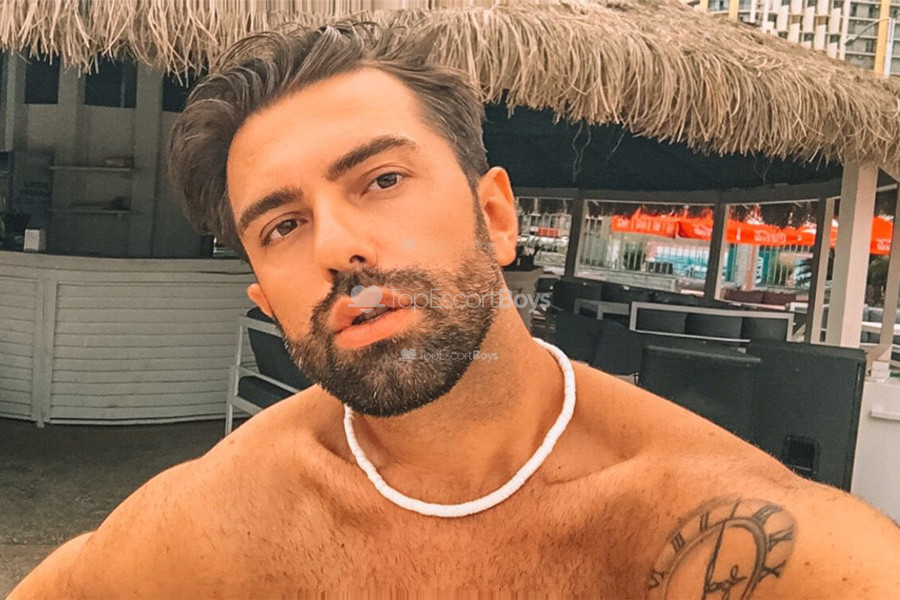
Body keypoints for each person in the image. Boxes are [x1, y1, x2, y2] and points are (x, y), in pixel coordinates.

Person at [11, 22, 900, 599]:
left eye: (381, 180)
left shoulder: (728, 533)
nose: (338, 247)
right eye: (283, 225)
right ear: (266, 302)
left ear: (497, 216)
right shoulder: (232, 510)